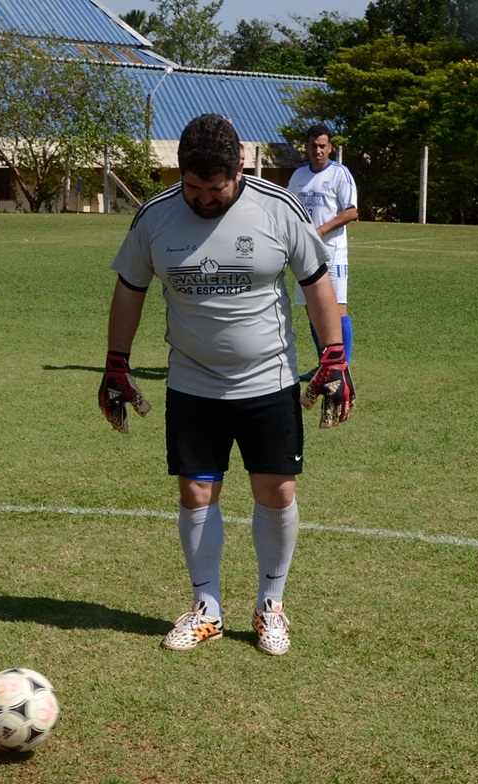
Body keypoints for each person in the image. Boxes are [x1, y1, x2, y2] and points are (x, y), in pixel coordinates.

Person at [98, 113, 353, 657]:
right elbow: (129, 289)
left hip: (269, 379)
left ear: (240, 167)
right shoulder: (155, 218)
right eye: (194, 188)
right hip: (193, 383)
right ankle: (206, 606)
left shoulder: (278, 208)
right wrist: (116, 363)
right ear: (180, 173)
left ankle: (270, 605)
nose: (206, 200)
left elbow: (315, 282)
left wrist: (334, 356)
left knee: (277, 491)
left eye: (217, 189)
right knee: (196, 493)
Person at [286, 124, 358, 363]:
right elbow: (288, 209)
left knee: (337, 309)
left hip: (332, 254)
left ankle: (341, 367)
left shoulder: (340, 174)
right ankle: (324, 365)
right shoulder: (299, 176)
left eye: (322, 146)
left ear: (330, 148)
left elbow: (351, 212)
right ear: (306, 147)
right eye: (313, 145)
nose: (317, 150)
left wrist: (319, 231)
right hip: (304, 254)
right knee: (313, 311)